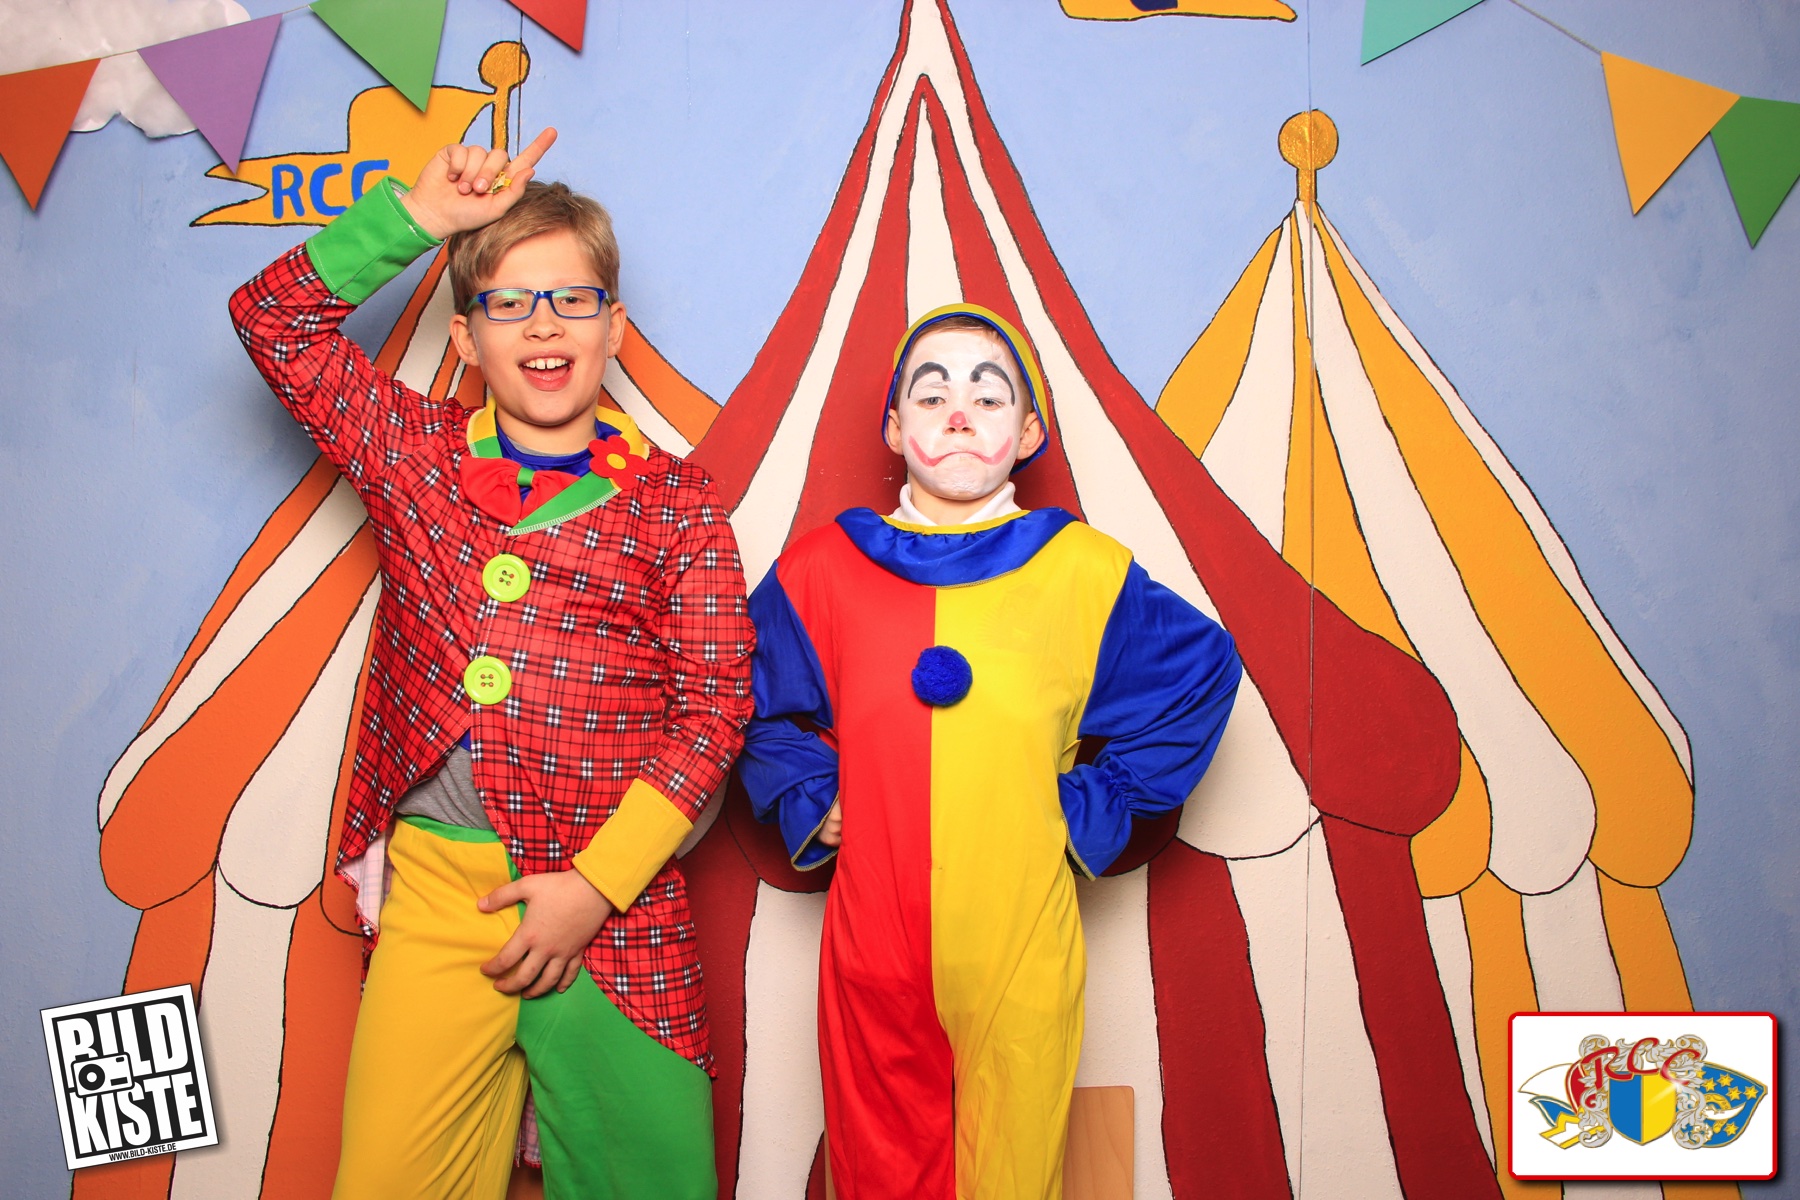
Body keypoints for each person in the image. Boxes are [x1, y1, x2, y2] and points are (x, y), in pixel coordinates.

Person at [229, 130, 753, 1200]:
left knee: (650, 1179)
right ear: (465, 338)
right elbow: (271, 321)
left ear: (614, 328)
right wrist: (418, 219)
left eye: (572, 300)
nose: (544, 324)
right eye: (509, 303)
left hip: (618, 908)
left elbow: (714, 711)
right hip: (440, 899)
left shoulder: (676, 503)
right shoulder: (415, 454)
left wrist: (595, 889)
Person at [737, 304, 1243, 1199]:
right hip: (873, 946)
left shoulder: (1083, 572)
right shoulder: (823, 569)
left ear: (1031, 431)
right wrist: (811, 795)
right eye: (931, 396)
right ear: (894, 427)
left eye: (988, 394)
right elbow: (741, 699)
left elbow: (1199, 675)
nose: (959, 413)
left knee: (1014, 1176)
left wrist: (1087, 808)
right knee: (877, 1177)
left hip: (1022, 943)